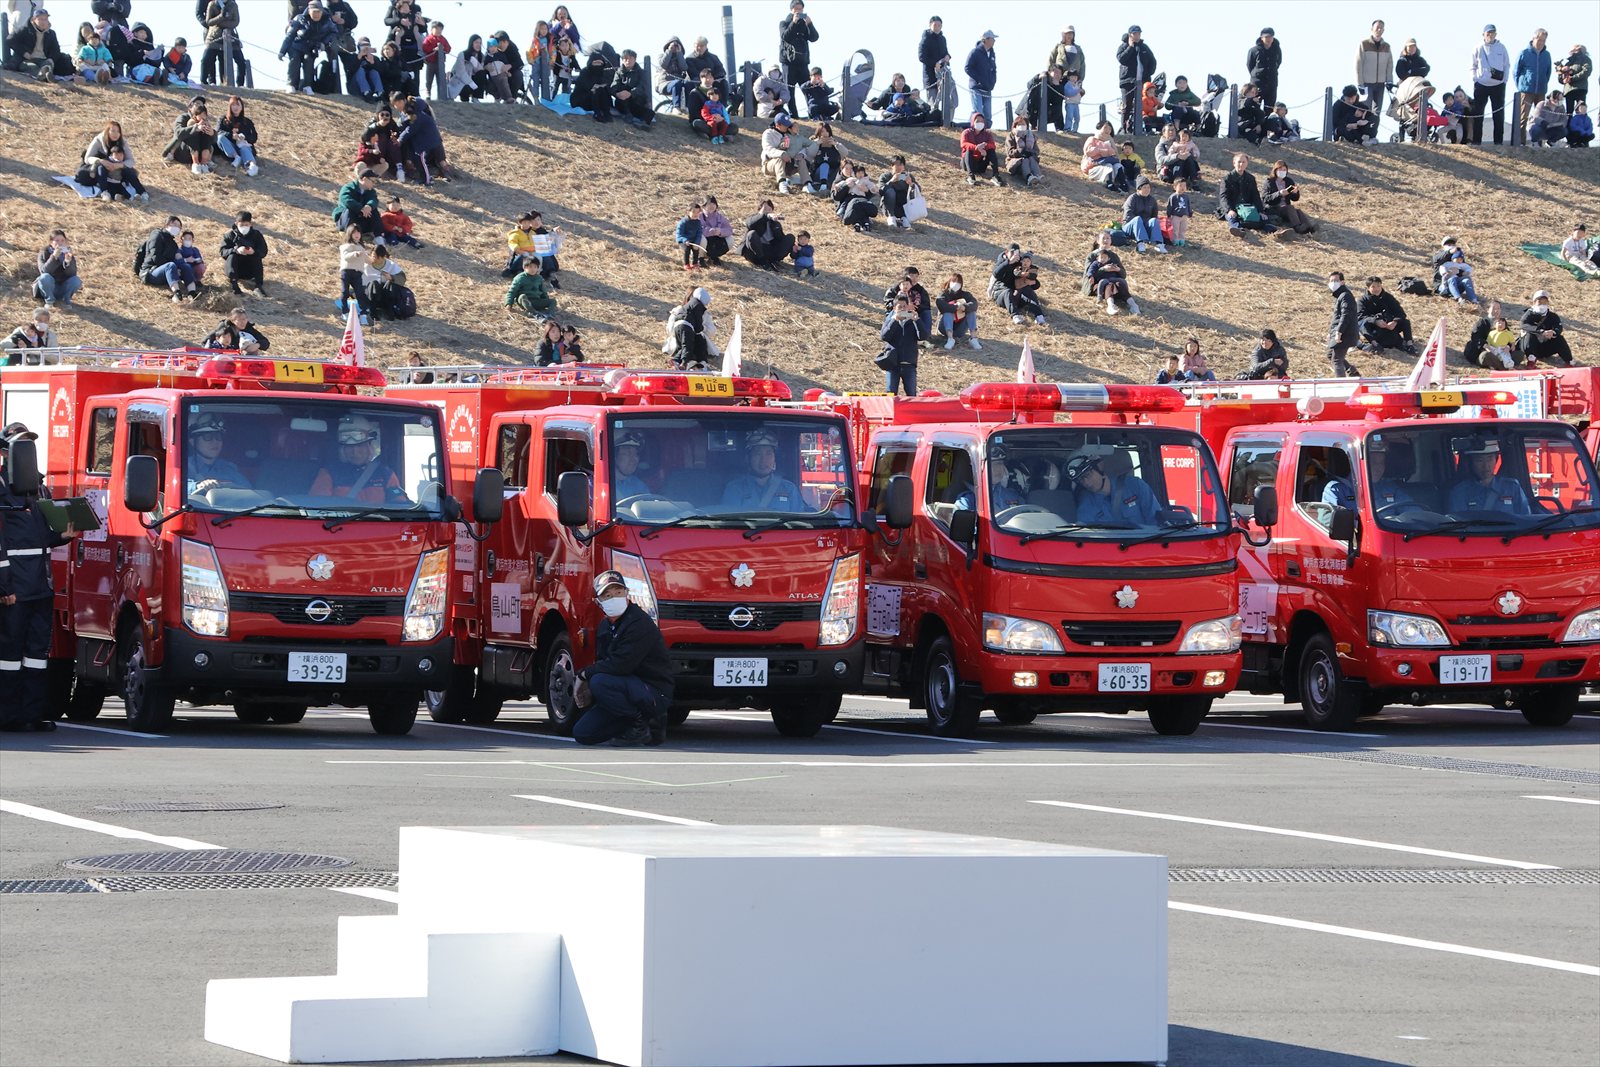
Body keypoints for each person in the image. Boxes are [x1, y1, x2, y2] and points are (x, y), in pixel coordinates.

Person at [0, 424, 79, 732]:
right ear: (6, 452)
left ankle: (33, 714)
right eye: (21, 445)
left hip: (40, 586)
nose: (27, 451)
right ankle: (7, 715)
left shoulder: (40, 488)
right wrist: (4, 587)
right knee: (9, 654)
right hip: (15, 589)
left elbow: (42, 538)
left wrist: (63, 536)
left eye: (30, 445)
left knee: (37, 653)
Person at [572, 570, 672, 747]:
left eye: (618, 592)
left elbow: (621, 665)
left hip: (652, 690)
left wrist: (583, 675)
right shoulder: (605, 626)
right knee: (583, 734)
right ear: (598, 602)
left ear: (627, 593)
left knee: (599, 682)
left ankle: (643, 723)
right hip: (624, 689)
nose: (614, 598)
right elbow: (604, 663)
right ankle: (631, 725)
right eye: (607, 595)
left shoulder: (639, 622)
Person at [308, 414, 407, 505]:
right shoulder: (328, 473)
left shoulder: (385, 474)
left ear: (369, 446)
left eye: (360, 446)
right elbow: (318, 506)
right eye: (349, 447)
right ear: (342, 450)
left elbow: (399, 506)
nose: (355, 452)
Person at [722, 430, 801, 511]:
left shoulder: (789, 489)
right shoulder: (735, 488)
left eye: (769, 454)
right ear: (748, 458)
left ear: (775, 458)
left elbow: (799, 516)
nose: (763, 460)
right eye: (757, 454)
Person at [1447, 438, 1529, 516]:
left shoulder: (1512, 487)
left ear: (1496, 460)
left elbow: (1525, 518)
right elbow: (1458, 523)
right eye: (1479, 460)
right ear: (1471, 463)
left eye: (1490, 459)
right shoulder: (1460, 492)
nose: (1486, 466)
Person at [1075, 454, 1159, 525]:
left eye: (1088, 475)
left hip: (1147, 539)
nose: (1086, 483)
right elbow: (1086, 535)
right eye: (1081, 480)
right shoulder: (1085, 506)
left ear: (1100, 468)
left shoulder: (1136, 486)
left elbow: (1157, 522)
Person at [279, 0, 338, 96]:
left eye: (318, 12)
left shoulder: (327, 21)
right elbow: (290, 35)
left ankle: (307, 86)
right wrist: (282, 51)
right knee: (295, 61)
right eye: (314, 12)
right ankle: (291, 84)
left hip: (311, 47)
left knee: (309, 62)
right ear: (309, 11)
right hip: (296, 45)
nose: (316, 14)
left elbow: (334, 32)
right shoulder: (300, 19)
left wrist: (323, 43)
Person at [184, 411, 248, 495]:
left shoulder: (228, 468)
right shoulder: (183, 466)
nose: (215, 442)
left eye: (218, 437)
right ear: (193, 441)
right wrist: (197, 485)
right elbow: (176, 488)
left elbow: (248, 490)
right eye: (207, 437)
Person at [4, 8, 74, 81]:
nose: (43, 22)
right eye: (40, 19)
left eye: (45, 19)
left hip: (44, 59)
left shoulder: (51, 33)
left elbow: (56, 50)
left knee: (48, 65)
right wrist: (24, 52)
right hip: (28, 59)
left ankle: (46, 74)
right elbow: (10, 40)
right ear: (33, 20)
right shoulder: (25, 30)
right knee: (31, 67)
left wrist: (51, 59)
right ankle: (42, 75)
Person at [1469, 25, 1511, 145]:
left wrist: (1504, 80)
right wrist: (1475, 79)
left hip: (1498, 85)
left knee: (1498, 114)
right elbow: (1473, 65)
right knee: (1478, 114)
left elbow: (1506, 65)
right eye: (1488, 33)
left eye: (1493, 33)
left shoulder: (1502, 47)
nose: (1490, 35)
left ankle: (1498, 142)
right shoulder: (1478, 47)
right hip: (1481, 84)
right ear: (1483, 35)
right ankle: (1477, 141)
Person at [135, 216, 193, 302]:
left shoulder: (173, 244)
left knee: (185, 266)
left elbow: (175, 259)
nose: (176, 228)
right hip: (150, 272)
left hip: (166, 272)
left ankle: (192, 292)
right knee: (170, 265)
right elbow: (155, 256)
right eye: (174, 224)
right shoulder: (157, 235)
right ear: (167, 224)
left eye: (179, 226)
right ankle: (177, 293)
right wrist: (174, 269)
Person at [1356, 277, 1416, 354]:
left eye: (1378, 286)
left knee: (1405, 322)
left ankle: (1409, 345)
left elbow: (1401, 313)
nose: (1376, 289)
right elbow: (1360, 317)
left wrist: (1395, 322)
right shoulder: (1362, 300)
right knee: (1363, 324)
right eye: (1373, 287)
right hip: (1372, 327)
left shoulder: (1388, 297)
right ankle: (1375, 345)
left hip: (1388, 325)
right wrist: (1375, 321)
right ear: (1368, 288)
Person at [1116, 26, 1156, 135]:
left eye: (1138, 33)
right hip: (1127, 81)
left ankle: (1141, 128)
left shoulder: (1144, 47)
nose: (1137, 35)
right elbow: (1121, 59)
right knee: (1126, 105)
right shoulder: (1123, 46)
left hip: (1142, 82)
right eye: (1135, 33)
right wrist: (1130, 47)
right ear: (1130, 34)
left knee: (1142, 104)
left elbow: (1153, 61)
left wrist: (1148, 73)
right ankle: (1124, 128)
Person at [761, 113, 815, 194]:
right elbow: (768, 149)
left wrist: (801, 154)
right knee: (780, 159)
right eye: (785, 125)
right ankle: (782, 183)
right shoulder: (768, 133)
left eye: (788, 124)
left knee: (801, 160)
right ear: (778, 125)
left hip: (789, 164)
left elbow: (801, 145)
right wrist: (782, 153)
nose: (787, 126)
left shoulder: (791, 134)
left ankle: (807, 184)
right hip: (771, 164)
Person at [1519, 292, 1575, 367]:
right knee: (1529, 335)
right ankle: (1531, 361)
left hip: (1544, 347)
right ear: (1534, 302)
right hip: (1530, 346)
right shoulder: (1528, 315)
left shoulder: (1553, 316)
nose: (1542, 305)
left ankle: (1569, 361)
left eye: (1544, 302)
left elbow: (1558, 327)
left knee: (1559, 339)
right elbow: (1524, 325)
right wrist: (1540, 331)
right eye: (1540, 302)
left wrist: (1553, 332)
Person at [1355, 20, 1393, 131]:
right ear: (1372, 29)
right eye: (1377, 28)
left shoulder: (1386, 46)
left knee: (1377, 111)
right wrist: (1360, 83)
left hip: (1380, 83)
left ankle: (1372, 132)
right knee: (1365, 109)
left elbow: (1390, 64)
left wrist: (1389, 80)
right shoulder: (1364, 44)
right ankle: (1361, 132)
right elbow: (1358, 64)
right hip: (1367, 82)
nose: (1379, 30)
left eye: (1381, 28)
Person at [879, 295, 921, 396]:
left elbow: (923, 336)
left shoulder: (912, 321)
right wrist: (894, 321)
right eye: (899, 307)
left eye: (904, 306)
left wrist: (917, 321)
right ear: (894, 308)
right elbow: (884, 336)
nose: (902, 309)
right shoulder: (890, 320)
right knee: (891, 394)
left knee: (911, 394)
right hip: (893, 363)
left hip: (909, 363)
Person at [165, 96, 218, 175]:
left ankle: (204, 164)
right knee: (193, 132)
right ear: (190, 107)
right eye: (197, 104)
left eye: (202, 105)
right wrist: (195, 128)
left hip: (200, 153)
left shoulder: (205, 121)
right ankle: (195, 164)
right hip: (184, 153)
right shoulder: (183, 117)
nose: (200, 106)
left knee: (206, 134)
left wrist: (212, 133)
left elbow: (214, 141)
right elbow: (178, 133)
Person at [666, 286, 715, 369]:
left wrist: (701, 330)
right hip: (686, 331)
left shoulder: (685, 309)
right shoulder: (696, 307)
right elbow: (670, 330)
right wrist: (699, 329)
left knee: (686, 346)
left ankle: (677, 361)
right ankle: (685, 363)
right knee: (688, 345)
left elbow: (711, 331)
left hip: (683, 331)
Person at [1221, 153, 1272, 233]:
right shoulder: (1227, 179)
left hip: (1248, 207)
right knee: (1232, 218)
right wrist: (1229, 210)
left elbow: (1255, 195)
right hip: (1233, 207)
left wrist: (1260, 211)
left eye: (1243, 162)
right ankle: (1238, 230)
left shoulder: (1250, 178)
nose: (1241, 164)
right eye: (1239, 162)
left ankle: (1274, 232)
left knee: (1264, 219)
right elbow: (1224, 197)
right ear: (1234, 163)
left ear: (1247, 163)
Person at [199, 0, 246, 87]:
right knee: (206, 59)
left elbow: (236, 21)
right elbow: (209, 21)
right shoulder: (212, 4)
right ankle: (205, 81)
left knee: (240, 60)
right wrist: (221, 16)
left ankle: (240, 83)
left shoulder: (233, 5)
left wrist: (221, 24)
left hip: (230, 35)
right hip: (213, 36)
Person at [1515, 29, 1554, 133]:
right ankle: (1521, 140)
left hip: (1541, 91)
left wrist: (1543, 83)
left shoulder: (1547, 55)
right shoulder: (1524, 53)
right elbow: (1516, 72)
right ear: (1533, 39)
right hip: (1526, 91)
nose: (1541, 43)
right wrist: (1522, 86)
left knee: (1541, 118)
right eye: (1539, 40)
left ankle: (1538, 140)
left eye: (1543, 40)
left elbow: (1548, 72)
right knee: (1523, 118)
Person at [1262, 161, 1314, 235]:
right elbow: (1265, 198)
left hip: (1285, 207)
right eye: (1280, 169)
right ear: (1275, 170)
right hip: (1274, 208)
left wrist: (1295, 193)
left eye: (1284, 170)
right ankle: (1298, 227)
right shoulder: (1269, 182)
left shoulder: (1289, 181)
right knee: (1290, 208)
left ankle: (1310, 228)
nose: (1282, 172)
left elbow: (1295, 199)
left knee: (1298, 211)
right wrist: (1279, 194)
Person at [993, 252, 1045, 326]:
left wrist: (1034, 282)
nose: (1014, 256)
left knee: (1029, 292)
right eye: (1012, 253)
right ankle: (1015, 315)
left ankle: (1039, 315)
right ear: (1007, 253)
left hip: (1017, 294)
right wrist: (1009, 263)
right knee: (1008, 292)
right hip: (1003, 295)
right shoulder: (1002, 264)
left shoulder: (1022, 266)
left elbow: (1035, 282)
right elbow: (996, 274)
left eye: (1016, 254)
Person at [740, 201, 794, 271]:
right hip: (754, 253)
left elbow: (780, 239)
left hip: (769, 250)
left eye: (769, 209)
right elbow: (749, 224)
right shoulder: (753, 219)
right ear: (759, 210)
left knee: (790, 237)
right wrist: (766, 216)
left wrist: (793, 246)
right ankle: (763, 261)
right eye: (765, 208)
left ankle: (773, 260)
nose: (767, 211)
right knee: (751, 234)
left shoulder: (775, 224)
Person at [33, 231, 81, 308]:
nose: (60, 243)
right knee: (45, 277)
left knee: (76, 280)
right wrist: (54, 257)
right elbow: (43, 271)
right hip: (46, 287)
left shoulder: (68, 253)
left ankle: (65, 301)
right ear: (51, 242)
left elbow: (72, 274)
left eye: (62, 240)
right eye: (57, 240)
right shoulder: (44, 252)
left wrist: (68, 262)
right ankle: (49, 301)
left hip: (61, 286)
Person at [1326, 271, 1360, 377]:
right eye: (1331, 281)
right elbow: (1337, 318)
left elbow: (1346, 315)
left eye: (1336, 280)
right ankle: (1352, 371)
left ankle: (1341, 383)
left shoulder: (1345, 296)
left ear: (1342, 282)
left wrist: (1339, 332)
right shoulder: (1340, 296)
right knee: (1330, 354)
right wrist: (1331, 333)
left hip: (1345, 333)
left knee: (1336, 360)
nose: (1333, 283)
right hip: (1341, 331)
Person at [215, 95, 259, 176]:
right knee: (220, 137)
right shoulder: (223, 119)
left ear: (242, 107)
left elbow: (254, 137)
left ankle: (252, 166)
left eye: (238, 105)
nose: (236, 107)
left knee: (244, 147)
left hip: (244, 146)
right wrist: (231, 135)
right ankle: (236, 157)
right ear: (230, 106)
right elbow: (218, 131)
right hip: (230, 148)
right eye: (233, 105)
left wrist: (244, 137)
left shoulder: (247, 122)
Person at [936, 272, 981, 351]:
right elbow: (941, 304)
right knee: (948, 311)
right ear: (949, 282)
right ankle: (950, 339)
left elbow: (974, 304)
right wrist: (956, 307)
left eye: (958, 282)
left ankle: (973, 338)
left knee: (971, 311)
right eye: (954, 281)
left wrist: (965, 307)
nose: (956, 284)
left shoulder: (965, 295)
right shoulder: (943, 294)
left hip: (960, 330)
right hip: (944, 328)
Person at [335, 170, 384, 242]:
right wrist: (361, 208)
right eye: (373, 181)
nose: (374, 184)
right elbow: (346, 200)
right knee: (349, 210)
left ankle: (378, 236)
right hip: (346, 220)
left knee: (374, 211)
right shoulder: (348, 188)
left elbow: (374, 199)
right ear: (364, 179)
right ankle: (348, 233)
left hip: (362, 219)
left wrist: (369, 206)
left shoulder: (371, 191)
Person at [505, 256, 556, 320]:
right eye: (530, 267)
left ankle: (550, 315)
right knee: (522, 296)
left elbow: (543, 292)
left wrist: (545, 301)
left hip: (536, 301)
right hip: (525, 301)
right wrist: (508, 303)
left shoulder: (539, 278)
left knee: (553, 301)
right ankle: (533, 313)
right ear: (525, 267)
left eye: (535, 267)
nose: (533, 269)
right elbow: (512, 292)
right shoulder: (519, 278)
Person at [960, 112, 1003, 187]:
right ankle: (970, 176)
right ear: (973, 122)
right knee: (969, 150)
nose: (980, 123)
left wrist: (985, 147)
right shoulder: (966, 132)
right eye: (977, 121)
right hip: (967, 163)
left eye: (982, 121)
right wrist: (976, 148)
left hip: (981, 163)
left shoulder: (987, 134)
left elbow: (992, 145)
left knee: (991, 150)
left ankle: (996, 175)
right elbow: (963, 144)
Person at [611, 49, 653, 127]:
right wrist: (617, 94)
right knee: (622, 93)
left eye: (630, 58)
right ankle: (629, 115)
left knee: (647, 112)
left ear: (635, 59)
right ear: (622, 60)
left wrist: (631, 93)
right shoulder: (618, 72)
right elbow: (613, 87)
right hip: (622, 100)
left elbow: (642, 87)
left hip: (637, 100)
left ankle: (642, 122)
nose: (628, 61)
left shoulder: (642, 72)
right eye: (625, 58)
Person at [964, 30, 998, 124]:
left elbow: (994, 69)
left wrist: (992, 81)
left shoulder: (992, 53)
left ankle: (980, 130)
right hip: (976, 88)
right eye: (992, 39)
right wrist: (979, 80)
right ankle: (969, 128)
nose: (994, 41)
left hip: (987, 88)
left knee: (988, 117)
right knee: (978, 112)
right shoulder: (975, 52)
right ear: (986, 39)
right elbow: (967, 68)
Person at [1123, 177, 1165, 253]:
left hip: (1144, 227)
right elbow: (1128, 215)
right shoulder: (1132, 198)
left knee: (1154, 220)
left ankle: (1159, 244)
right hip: (1130, 226)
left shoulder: (1152, 200)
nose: (1147, 190)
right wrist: (1141, 225)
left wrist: (1145, 225)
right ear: (1139, 189)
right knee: (1137, 219)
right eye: (1144, 187)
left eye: (1148, 187)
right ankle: (1140, 243)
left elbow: (1154, 215)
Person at [1434, 237, 1479, 306]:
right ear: (1442, 246)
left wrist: (1464, 272)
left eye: (1453, 244)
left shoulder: (1458, 257)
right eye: (1448, 244)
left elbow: (1463, 268)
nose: (1451, 246)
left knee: (1466, 280)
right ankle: (1459, 299)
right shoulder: (1438, 257)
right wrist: (1450, 252)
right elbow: (1438, 258)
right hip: (1443, 288)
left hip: (1457, 286)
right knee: (1452, 279)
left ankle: (1473, 300)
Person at [204, 306, 268, 355]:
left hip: (241, 355)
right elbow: (206, 340)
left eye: (244, 319)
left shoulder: (248, 328)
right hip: (223, 354)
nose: (243, 322)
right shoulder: (224, 327)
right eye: (239, 320)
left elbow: (265, 342)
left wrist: (257, 345)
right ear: (233, 320)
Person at [832, 165, 879, 231]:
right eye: (859, 173)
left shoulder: (865, 180)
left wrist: (873, 189)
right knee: (846, 205)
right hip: (851, 196)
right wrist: (837, 186)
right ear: (855, 173)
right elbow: (843, 183)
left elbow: (871, 185)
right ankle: (842, 213)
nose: (860, 174)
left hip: (861, 197)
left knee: (862, 209)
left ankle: (865, 223)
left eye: (862, 173)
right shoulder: (851, 179)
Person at [1023, 66, 1068, 133]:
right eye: (1056, 72)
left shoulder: (1059, 85)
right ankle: (1033, 125)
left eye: (1060, 73)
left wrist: (1057, 86)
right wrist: (1038, 77)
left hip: (1044, 110)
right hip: (1030, 108)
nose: (1057, 75)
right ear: (1050, 72)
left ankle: (1059, 128)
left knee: (1057, 109)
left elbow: (1057, 103)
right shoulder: (1042, 77)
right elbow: (1029, 85)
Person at [878, 156, 917, 230]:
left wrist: (911, 184)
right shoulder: (885, 176)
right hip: (889, 207)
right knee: (890, 191)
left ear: (904, 167)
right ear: (892, 166)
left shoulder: (908, 176)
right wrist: (891, 181)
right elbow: (880, 192)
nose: (899, 167)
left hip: (904, 207)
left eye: (901, 165)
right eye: (897, 164)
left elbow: (918, 190)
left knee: (908, 192)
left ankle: (904, 218)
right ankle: (891, 217)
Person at [1080, 122, 1121, 189]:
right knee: (1108, 166)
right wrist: (1101, 150)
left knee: (1117, 166)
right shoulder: (1092, 139)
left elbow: (1115, 154)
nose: (1108, 130)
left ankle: (1122, 184)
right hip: (1093, 166)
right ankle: (1109, 184)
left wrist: (1111, 142)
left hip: (1106, 163)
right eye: (1105, 127)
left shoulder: (1109, 142)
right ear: (1099, 128)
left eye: (1110, 129)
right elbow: (1088, 152)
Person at [1247, 27, 1281, 107]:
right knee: (1255, 106)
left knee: (1270, 107)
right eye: (1266, 37)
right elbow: (1249, 65)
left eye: (1270, 37)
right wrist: (1257, 74)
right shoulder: (1254, 50)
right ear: (1262, 38)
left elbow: (1278, 62)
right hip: (1257, 84)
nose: (1268, 39)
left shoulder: (1277, 50)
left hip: (1271, 83)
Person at [1005, 116, 1042, 187]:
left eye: (1023, 124)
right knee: (1025, 160)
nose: (1021, 126)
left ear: (1027, 125)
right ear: (1015, 126)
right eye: (1019, 124)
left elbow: (1036, 150)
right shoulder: (1011, 135)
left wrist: (1031, 153)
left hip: (1030, 160)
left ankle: (1038, 175)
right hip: (1016, 162)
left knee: (1030, 158)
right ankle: (1028, 177)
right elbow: (1009, 152)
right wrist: (1020, 151)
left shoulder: (1031, 136)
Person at [655, 35, 688, 112]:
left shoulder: (680, 57)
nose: (674, 47)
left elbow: (684, 68)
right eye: (673, 46)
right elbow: (663, 64)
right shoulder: (661, 56)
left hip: (679, 82)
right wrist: (669, 51)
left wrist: (679, 53)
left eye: (676, 46)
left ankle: (687, 107)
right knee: (676, 83)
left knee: (688, 84)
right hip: (665, 83)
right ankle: (676, 107)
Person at [699, 196, 734, 266]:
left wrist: (720, 231)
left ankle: (714, 257)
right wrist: (711, 231)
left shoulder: (720, 216)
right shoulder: (699, 216)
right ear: (704, 206)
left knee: (730, 239)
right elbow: (698, 230)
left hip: (716, 241)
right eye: (709, 204)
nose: (712, 206)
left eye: (714, 204)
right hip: (703, 242)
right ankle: (700, 258)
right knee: (701, 238)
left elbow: (729, 230)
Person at [1558, 44, 1592, 114]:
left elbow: (1586, 71)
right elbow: (1561, 76)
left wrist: (1572, 78)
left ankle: (1580, 121)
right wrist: (1562, 78)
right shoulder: (1568, 61)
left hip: (1580, 89)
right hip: (1568, 90)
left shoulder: (1585, 59)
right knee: (1569, 113)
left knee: (1581, 111)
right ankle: (1569, 121)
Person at [676, 202, 705, 272]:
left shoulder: (698, 222)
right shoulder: (683, 222)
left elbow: (699, 233)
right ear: (688, 212)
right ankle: (686, 264)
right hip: (683, 240)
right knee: (687, 249)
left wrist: (697, 243)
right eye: (694, 212)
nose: (696, 214)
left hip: (693, 241)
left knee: (696, 250)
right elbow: (679, 234)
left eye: (698, 212)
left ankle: (695, 263)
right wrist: (685, 240)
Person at [1166, 176, 1193, 247]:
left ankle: (1182, 241)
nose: (1182, 188)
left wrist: (1190, 213)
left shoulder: (1186, 197)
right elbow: (1170, 206)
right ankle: (1175, 241)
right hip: (1176, 216)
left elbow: (1188, 205)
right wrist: (1169, 215)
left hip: (1184, 216)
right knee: (1175, 229)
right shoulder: (1173, 197)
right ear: (1175, 187)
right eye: (1180, 186)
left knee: (1183, 229)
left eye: (1184, 186)